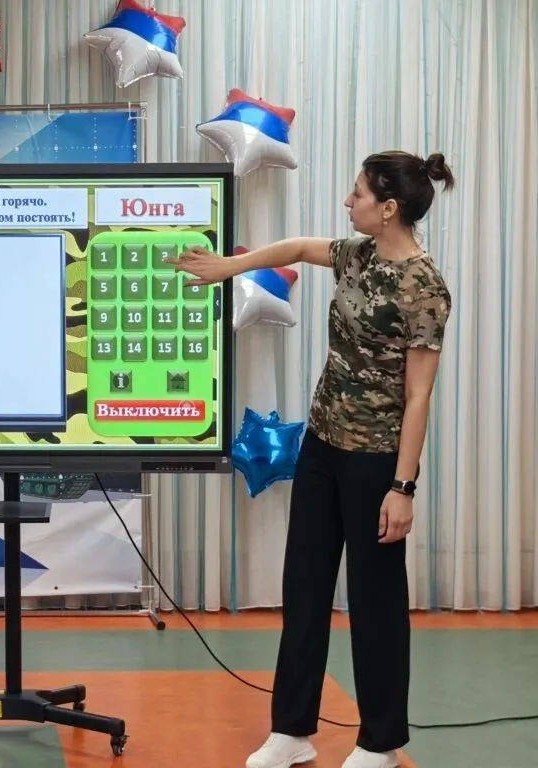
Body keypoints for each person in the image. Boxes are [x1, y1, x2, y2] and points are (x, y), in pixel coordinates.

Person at [171, 151, 454, 768]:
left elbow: (418, 395)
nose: (348, 202)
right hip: (322, 449)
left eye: (358, 194)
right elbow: (300, 247)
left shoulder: (424, 287)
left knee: (375, 604)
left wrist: (403, 487)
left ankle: (380, 741)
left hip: (377, 462)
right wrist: (230, 266)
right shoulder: (358, 254)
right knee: (303, 589)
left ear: (389, 208)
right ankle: (292, 731)